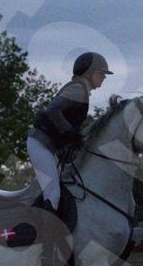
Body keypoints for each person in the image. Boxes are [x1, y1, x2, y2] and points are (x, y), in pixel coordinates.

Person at [27, 52, 112, 221]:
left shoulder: (81, 90)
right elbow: (52, 109)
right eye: (101, 73)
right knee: (53, 193)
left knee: (62, 188)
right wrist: (69, 132)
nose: (104, 77)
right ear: (89, 73)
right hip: (41, 143)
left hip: (49, 147)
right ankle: (42, 232)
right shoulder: (78, 89)